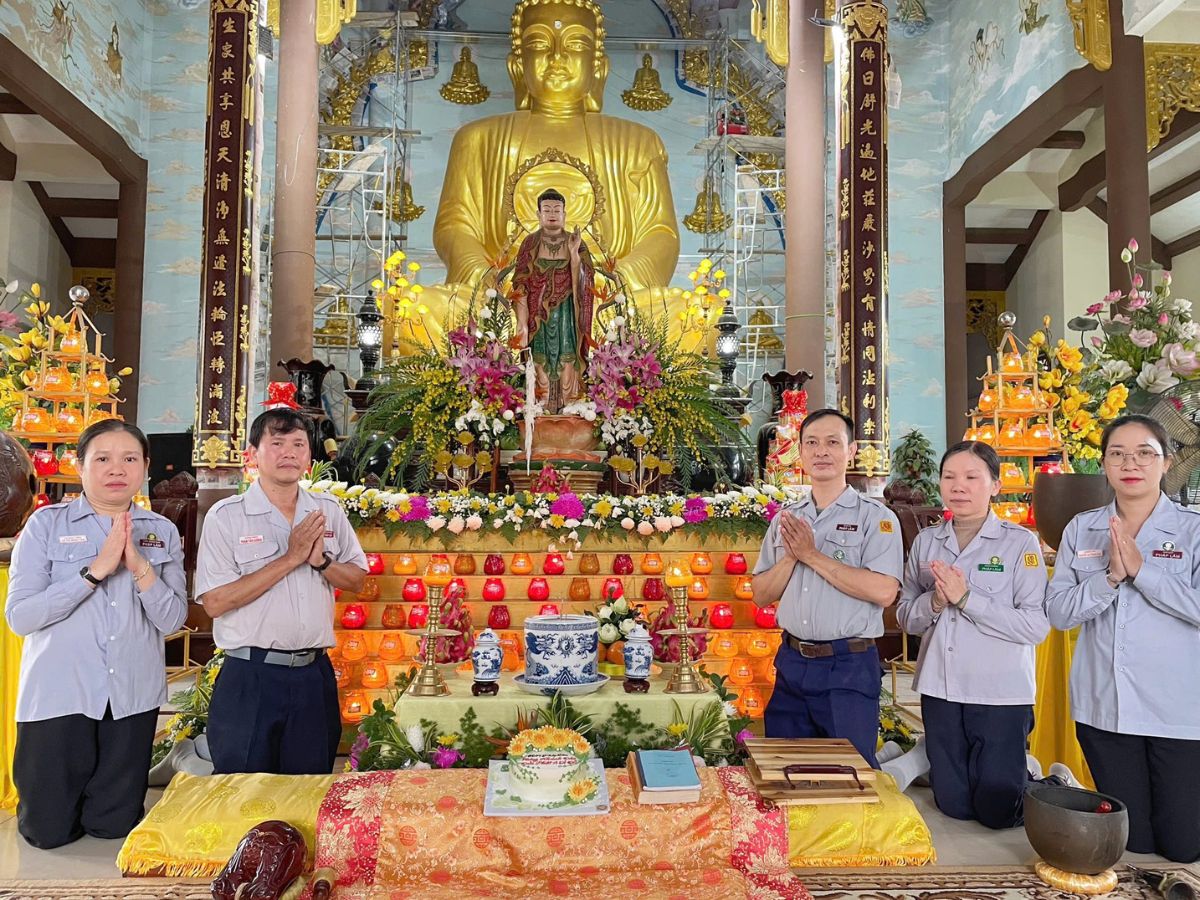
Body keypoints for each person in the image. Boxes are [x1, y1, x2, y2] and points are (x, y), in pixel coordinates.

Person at [6, 420, 187, 849]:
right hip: (60, 694)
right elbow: (21, 617)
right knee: (46, 832)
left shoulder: (161, 531)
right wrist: (94, 572)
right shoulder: (45, 525)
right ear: (80, 465)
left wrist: (140, 568)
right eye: (102, 458)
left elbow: (172, 620)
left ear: (145, 466)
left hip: (130, 696)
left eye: (129, 458)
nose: (116, 469)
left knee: (114, 826)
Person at [1047, 414, 1200, 863]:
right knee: (1133, 841)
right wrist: (1110, 578)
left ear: (1167, 462)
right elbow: (1059, 613)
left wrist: (1143, 572)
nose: (1130, 463)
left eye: (1144, 454)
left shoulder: (1193, 529)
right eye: (1118, 453)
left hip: (1177, 711)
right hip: (1105, 707)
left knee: (1184, 844)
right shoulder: (1082, 529)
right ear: (1105, 464)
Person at [196, 409, 367, 775]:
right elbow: (215, 602)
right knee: (243, 787)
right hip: (250, 676)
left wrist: (321, 562)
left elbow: (356, 580)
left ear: (309, 456)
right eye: (277, 443)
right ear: (252, 454)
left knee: (308, 787)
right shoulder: (227, 516)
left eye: (298, 444)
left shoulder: (327, 510)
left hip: (313, 676)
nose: (289, 452)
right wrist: (290, 559)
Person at [896, 441, 1052, 828]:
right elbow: (906, 617)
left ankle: (1046, 784)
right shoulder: (927, 541)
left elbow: (1035, 626)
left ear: (995, 485)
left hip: (999, 691)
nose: (958, 486)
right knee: (954, 805)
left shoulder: (1019, 543)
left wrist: (967, 599)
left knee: (997, 811)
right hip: (942, 687)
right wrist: (935, 601)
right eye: (949, 477)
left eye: (971, 477)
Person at [751, 409, 903, 767]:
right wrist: (791, 558)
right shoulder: (786, 518)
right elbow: (760, 594)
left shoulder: (875, 518)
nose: (821, 452)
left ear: (851, 451)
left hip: (847, 665)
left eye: (833, 442)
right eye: (812, 443)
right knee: (788, 772)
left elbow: (884, 591)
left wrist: (811, 555)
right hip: (792, 663)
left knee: (847, 775)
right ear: (801, 452)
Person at [511, 188, 595, 412]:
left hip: (568, 313)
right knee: (539, 357)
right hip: (537, 314)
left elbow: (587, 282)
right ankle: (540, 407)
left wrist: (574, 255)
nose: (552, 214)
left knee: (568, 355)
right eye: (547, 209)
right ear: (538, 214)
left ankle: (571, 406)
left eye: (557, 210)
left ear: (564, 214)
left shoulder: (576, 241)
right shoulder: (530, 243)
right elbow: (521, 284)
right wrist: (522, 323)